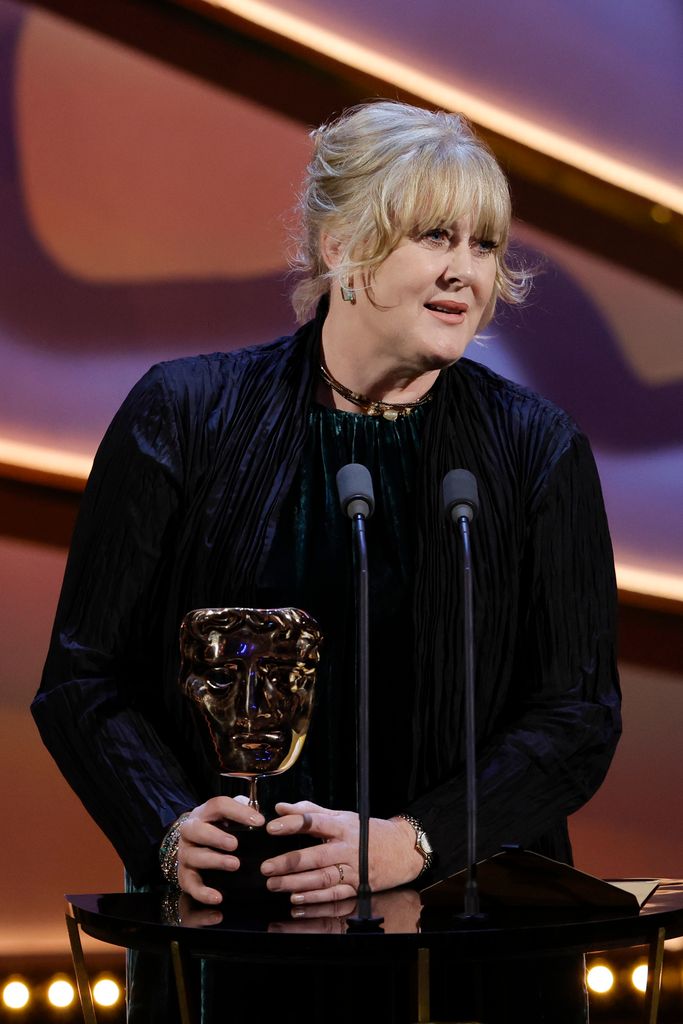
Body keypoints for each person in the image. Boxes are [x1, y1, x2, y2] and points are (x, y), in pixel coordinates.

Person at [32, 100, 621, 1022]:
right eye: (434, 236)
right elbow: (82, 677)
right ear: (343, 247)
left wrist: (419, 842)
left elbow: (577, 713)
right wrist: (164, 826)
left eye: (483, 244)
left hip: (474, 952)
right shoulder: (183, 418)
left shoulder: (535, 450)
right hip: (239, 948)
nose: (464, 272)